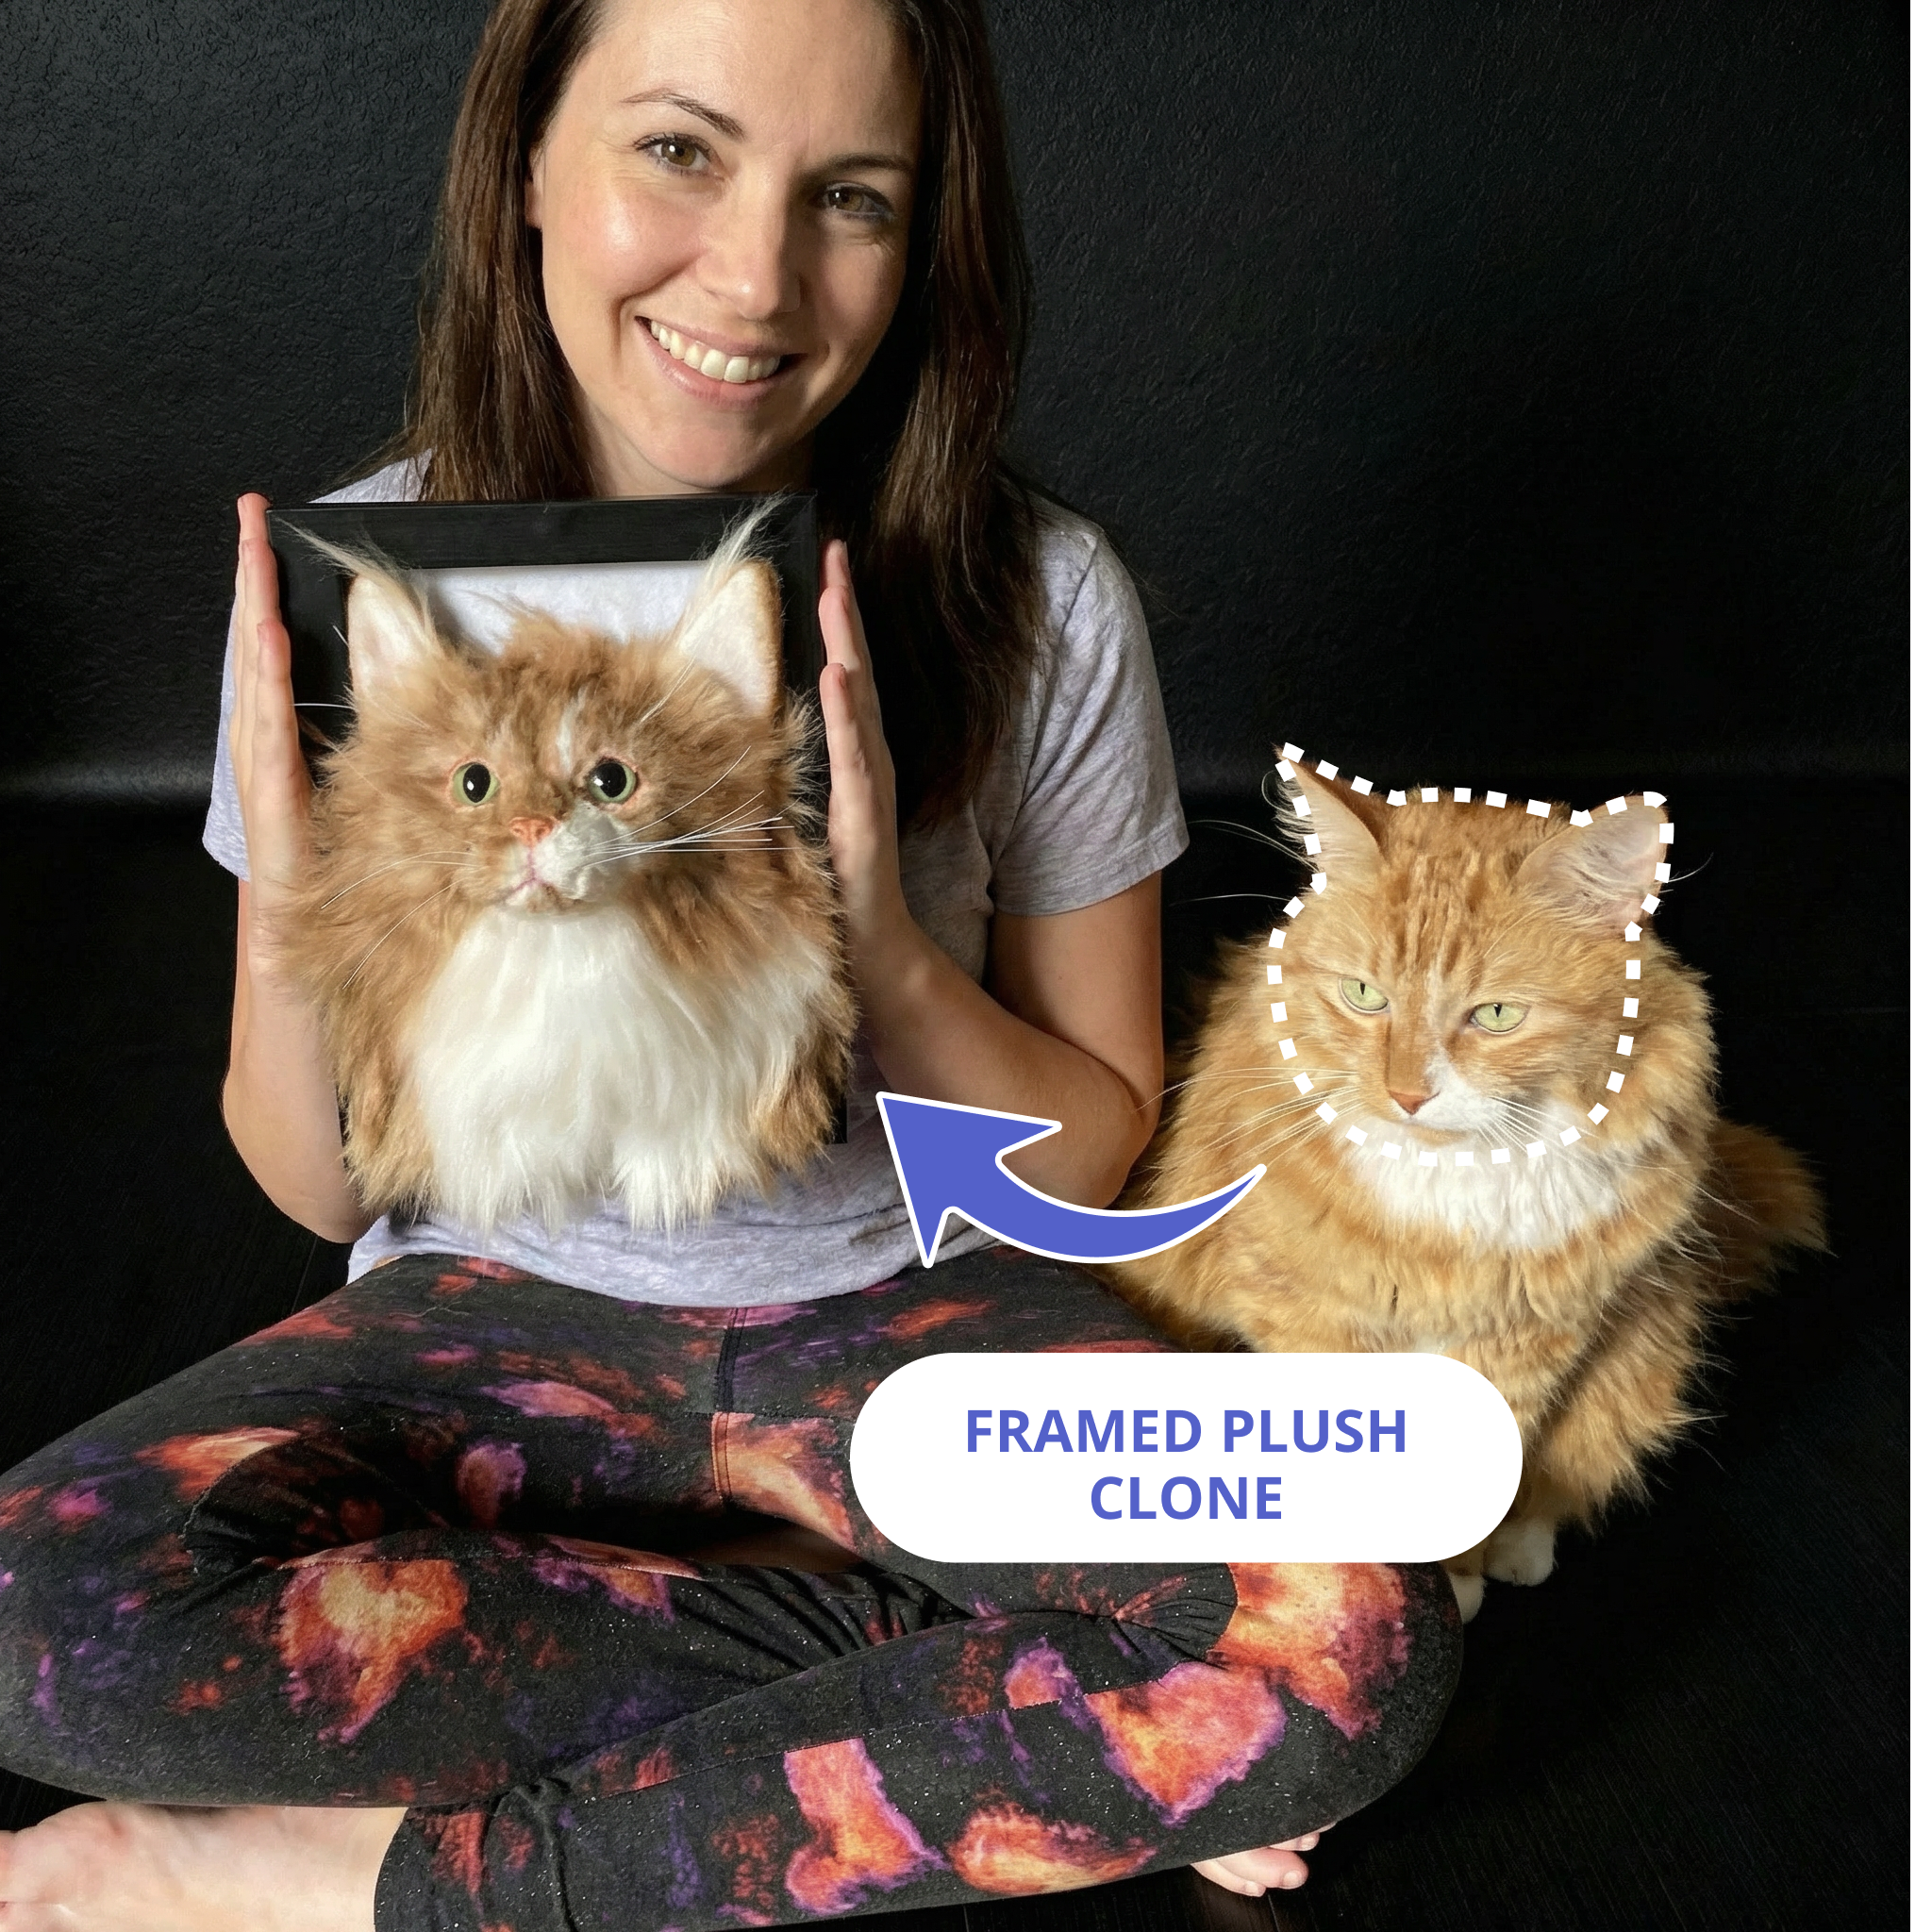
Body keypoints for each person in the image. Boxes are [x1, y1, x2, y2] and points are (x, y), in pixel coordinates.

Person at [0, 0, 1458, 1924]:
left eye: (847, 195)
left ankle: (336, 1884)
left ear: (921, 235)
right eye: (677, 151)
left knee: (1357, 1627)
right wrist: (293, 898)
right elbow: (325, 1180)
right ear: (526, 161)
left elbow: (1084, 1157)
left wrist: (876, 939)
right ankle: (986, 1717)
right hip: (489, 1332)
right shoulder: (359, 579)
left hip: (913, 1326)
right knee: (37, 1614)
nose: (757, 276)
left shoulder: (1040, 598)